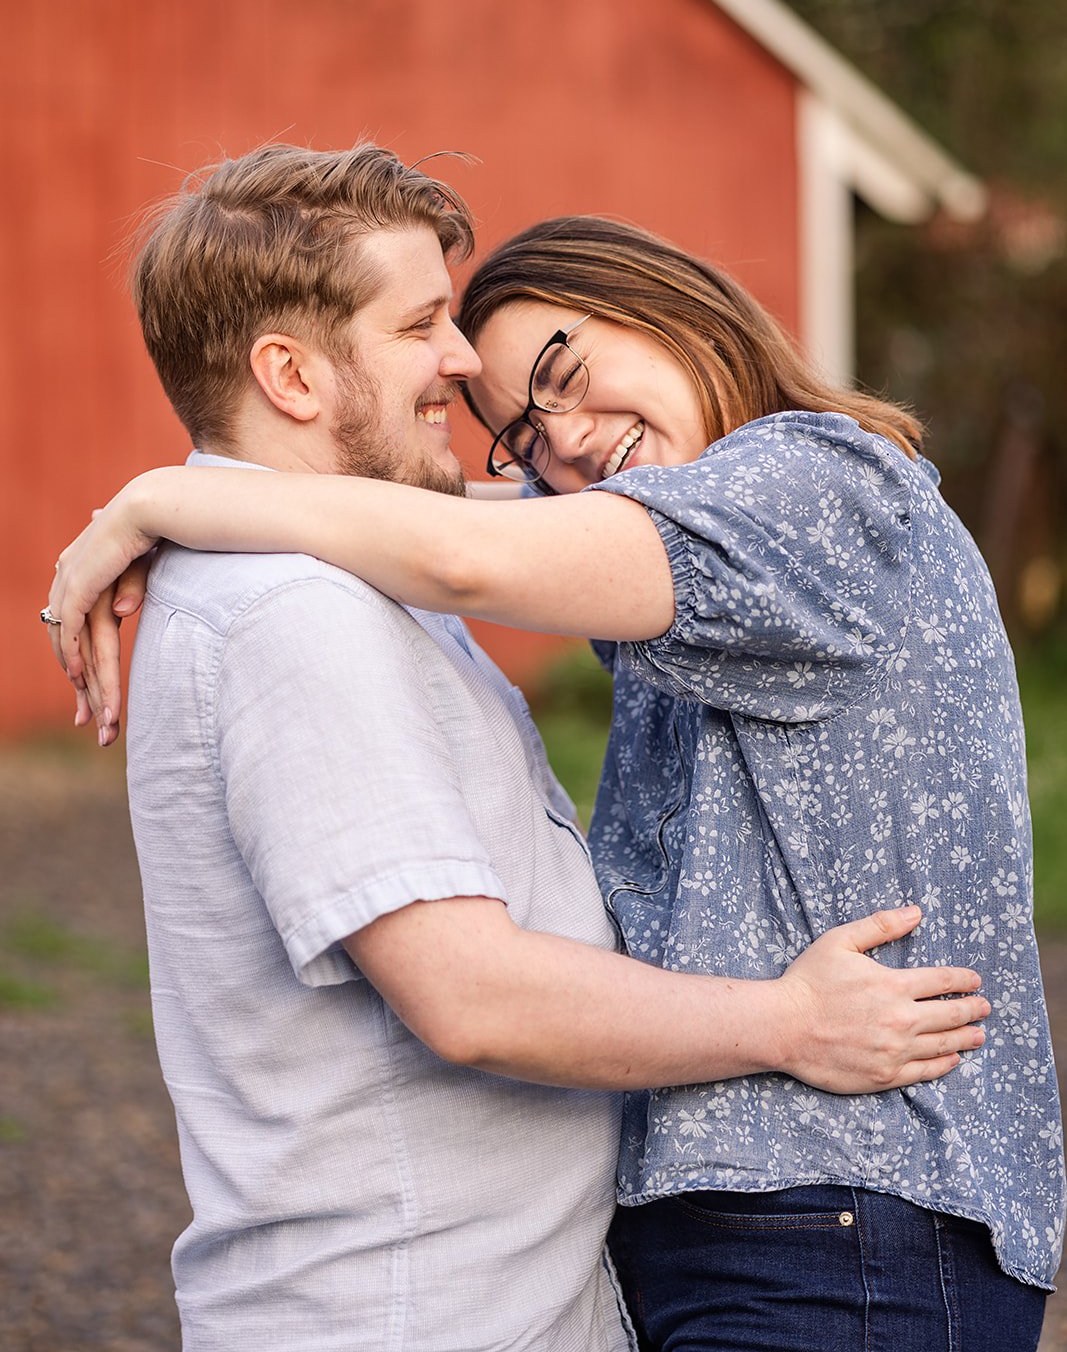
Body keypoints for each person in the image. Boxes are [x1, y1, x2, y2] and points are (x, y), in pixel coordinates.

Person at [41, 154, 992, 1352]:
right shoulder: (298, 609)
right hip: (452, 1301)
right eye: (425, 326)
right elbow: (466, 989)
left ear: (667, 304)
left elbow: (479, 545)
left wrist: (158, 502)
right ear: (287, 373)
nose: (552, 434)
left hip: (812, 1212)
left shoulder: (800, 484)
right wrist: (784, 1020)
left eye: (558, 369)